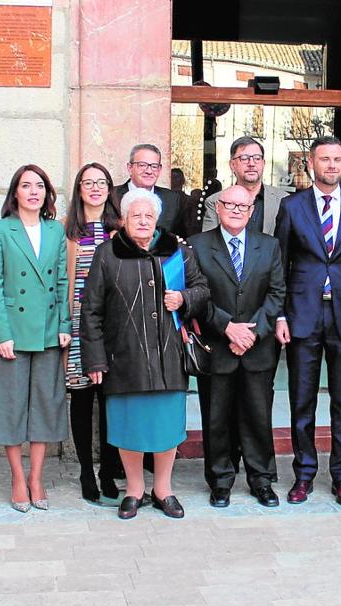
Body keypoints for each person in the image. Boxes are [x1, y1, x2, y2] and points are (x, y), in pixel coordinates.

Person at [82, 188, 209, 520]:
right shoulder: (107, 254)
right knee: (129, 427)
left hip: (169, 356)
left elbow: (202, 290)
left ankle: (163, 489)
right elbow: (91, 310)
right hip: (124, 357)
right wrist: (94, 358)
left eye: (148, 215)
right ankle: (134, 489)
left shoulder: (177, 251)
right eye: (135, 215)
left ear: (157, 219)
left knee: (167, 427)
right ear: (124, 220)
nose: (142, 221)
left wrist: (183, 299)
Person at [274, 136, 341, 506]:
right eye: (325, 159)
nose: (332, 165)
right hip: (303, 315)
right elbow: (280, 264)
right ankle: (304, 475)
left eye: (337, 159)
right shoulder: (292, 206)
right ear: (311, 163)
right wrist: (281, 314)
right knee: (302, 401)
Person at [192, 185, 286, 507]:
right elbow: (196, 296)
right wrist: (227, 328)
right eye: (229, 204)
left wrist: (252, 334)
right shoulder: (197, 245)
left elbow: (276, 293)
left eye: (242, 206)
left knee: (258, 417)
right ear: (218, 208)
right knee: (216, 419)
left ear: (251, 212)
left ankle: (261, 480)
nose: (235, 210)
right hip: (216, 347)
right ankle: (220, 481)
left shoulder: (269, 246)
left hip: (257, 348)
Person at [0, 164, 71, 512]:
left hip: (49, 330)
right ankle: (17, 478)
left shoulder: (55, 230)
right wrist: (1, 333)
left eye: (39, 186)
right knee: (11, 406)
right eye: (26, 185)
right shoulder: (0, 230)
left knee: (45, 406)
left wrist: (64, 324)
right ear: (15, 192)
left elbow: (62, 281)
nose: (33, 192)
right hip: (13, 332)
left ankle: (36, 477)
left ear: (47, 193)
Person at [64, 162, 124, 507]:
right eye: (88, 182)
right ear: (79, 189)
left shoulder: (121, 229)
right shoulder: (67, 230)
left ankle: (108, 471)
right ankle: (86, 471)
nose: (95, 188)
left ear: (110, 189)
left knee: (111, 399)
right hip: (77, 323)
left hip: (114, 327)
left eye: (101, 182)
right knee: (82, 398)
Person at [203, 136, 288, 235]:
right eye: (244, 158)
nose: (251, 163)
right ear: (232, 165)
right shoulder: (215, 201)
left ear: (263, 163)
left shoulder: (284, 200)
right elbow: (208, 242)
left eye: (257, 158)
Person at [112, 144, 187, 236]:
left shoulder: (172, 199)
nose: (149, 171)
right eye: (142, 165)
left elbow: (179, 237)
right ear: (130, 168)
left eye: (154, 166)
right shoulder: (112, 196)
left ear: (159, 169)